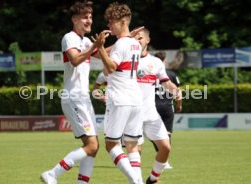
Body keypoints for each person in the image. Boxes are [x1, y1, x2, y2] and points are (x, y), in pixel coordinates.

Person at [40, 1, 105, 184]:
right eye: (85, 17)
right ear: (74, 19)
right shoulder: (69, 37)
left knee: (93, 147)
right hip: (73, 97)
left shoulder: (85, 41)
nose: (89, 20)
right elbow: (75, 59)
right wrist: (95, 47)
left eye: (91, 16)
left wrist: (125, 40)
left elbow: (105, 54)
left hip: (83, 99)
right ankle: (52, 173)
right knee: (91, 145)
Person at [95, 2, 144, 184]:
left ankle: (136, 182)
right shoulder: (135, 44)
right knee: (132, 146)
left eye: (111, 21)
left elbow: (110, 67)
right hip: (136, 100)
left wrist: (100, 47)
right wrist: (102, 49)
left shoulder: (120, 45)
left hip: (120, 99)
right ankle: (136, 180)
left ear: (123, 21)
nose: (109, 25)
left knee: (111, 144)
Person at [136, 28, 182, 184]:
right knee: (136, 153)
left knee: (165, 147)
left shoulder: (155, 62)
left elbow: (167, 83)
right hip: (132, 114)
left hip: (150, 114)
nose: (137, 40)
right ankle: (136, 181)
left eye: (140, 38)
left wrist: (176, 92)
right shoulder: (126, 60)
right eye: (134, 38)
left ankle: (153, 179)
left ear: (147, 40)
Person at [154, 51, 182, 169]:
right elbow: (178, 91)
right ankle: (164, 161)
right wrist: (179, 104)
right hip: (167, 107)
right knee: (167, 134)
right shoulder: (171, 74)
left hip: (152, 107)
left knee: (154, 134)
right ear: (165, 60)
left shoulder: (150, 74)